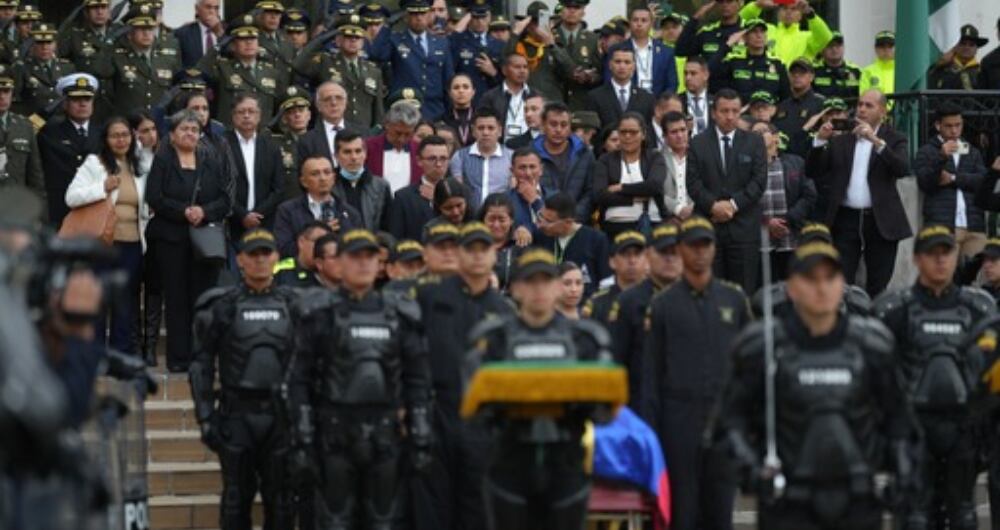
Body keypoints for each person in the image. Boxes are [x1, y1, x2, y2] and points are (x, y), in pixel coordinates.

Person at [720, 239, 920, 530]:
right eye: (810, 279)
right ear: (791, 288)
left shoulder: (872, 346)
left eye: (830, 278)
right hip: (788, 502)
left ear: (843, 285)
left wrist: (902, 473)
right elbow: (728, 423)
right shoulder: (763, 348)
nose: (821, 287)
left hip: (857, 500)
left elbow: (900, 422)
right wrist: (750, 469)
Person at [286, 227, 433, 529]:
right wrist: (302, 436)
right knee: (335, 520)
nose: (364, 264)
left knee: (382, 520)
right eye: (355, 257)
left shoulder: (399, 314)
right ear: (339, 262)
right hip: (335, 433)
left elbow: (417, 377)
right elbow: (298, 379)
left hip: (385, 433)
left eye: (370, 257)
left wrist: (419, 429)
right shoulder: (320, 313)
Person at [463, 247, 614, 530]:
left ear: (558, 287)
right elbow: (473, 411)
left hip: (566, 462)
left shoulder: (586, 339)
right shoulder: (493, 339)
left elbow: (604, 411)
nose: (538, 289)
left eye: (546, 280)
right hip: (510, 462)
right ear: (516, 288)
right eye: (530, 281)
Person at [873, 226, 996, 529]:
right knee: (914, 517)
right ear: (916, 259)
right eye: (933, 254)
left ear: (957, 256)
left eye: (947, 253)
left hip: (964, 432)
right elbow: (876, 378)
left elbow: (990, 378)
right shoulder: (893, 309)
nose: (941, 261)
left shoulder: (979, 308)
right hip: (913, 432)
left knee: (963, 515)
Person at [642, 217, 749, 530]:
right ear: (680, 249)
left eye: (706, 245)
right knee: (682, 514)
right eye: (693, 246)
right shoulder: (662, 305)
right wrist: (652, 432)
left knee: (720, 512)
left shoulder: (734, 299)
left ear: (715, 249)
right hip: (679, 419)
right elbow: (651, 375)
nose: (700, 252)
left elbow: (749, 370)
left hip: (724, 420)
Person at [189, 228, 297, 529]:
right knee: (236, 500)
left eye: (266, 254)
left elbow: (311, 363)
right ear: (240, 260)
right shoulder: (223, 306)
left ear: (276, 258)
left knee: (283, 502)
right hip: (237, 415)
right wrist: (206, 415)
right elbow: (201, 364)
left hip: (281, 416)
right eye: (253, 255)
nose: (260, 260)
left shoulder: (295, 306)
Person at [410, 221, 515, 530]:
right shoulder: (429, 297)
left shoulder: (504, 310)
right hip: (436, 414)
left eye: (485, 249)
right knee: (432, 509)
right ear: (459, 253)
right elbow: (410, 355)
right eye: (471, 249)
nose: (478, 256)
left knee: (478, 509)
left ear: (495, 254)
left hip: (484, 422)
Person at [145, 110, 231, 372]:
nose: (190, 134)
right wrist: (184, 211)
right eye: (184, 129)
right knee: (176, 300)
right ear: (171, 135)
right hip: (171, 240)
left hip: (203, 241)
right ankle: (178, 359)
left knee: (202, 299)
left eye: (195, 130)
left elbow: (225, 200)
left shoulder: (210, 160)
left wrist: (203, 212)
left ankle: (201, 357)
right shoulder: (162, 161)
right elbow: (154, 197)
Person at [806, 88, 910, 296]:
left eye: (868, 105)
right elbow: (813, 171)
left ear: (882, 111)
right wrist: (819, 142)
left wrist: (876, 142)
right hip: (845, 220)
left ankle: (875, 326)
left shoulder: (894, 138)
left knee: (878, 285)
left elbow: (902, 169)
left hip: (880, 221)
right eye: (860, 104)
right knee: (842, 282)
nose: (861, 109)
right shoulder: (841, 139)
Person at [64, 116, 150, 356]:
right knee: (99, 299)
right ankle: (95, 354)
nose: (121, 140)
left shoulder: (138, 165)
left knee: (124, 303)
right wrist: (102, 187)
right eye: (115, 135)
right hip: (103, 243)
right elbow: (71, 197)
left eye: (125, 135)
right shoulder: (95, 163)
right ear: (106, 139)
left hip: (133, 244)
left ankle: (119, 354)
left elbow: (142, 205)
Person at [686, 88, 767, 294]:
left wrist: (732, 205)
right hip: (708, 228)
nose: (730, 116)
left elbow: (758, 182)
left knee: (743, 293)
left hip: (744, 229)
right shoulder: (697, 142)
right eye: (724, 111)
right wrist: (713, 206)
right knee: (708, 292)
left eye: (734, 111)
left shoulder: (754, 142)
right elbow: (693, 183)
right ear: (714, 113)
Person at [915, 103, 988, 259]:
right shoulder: (927, 151)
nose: (954, 130)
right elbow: (925, 182)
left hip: (973, 227)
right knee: (943, 277)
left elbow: (983, 181)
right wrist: (941, 157)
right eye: (948, 126)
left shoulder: (972, 152)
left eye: (958, 125)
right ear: (938, 125)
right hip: (943, 226)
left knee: (972, 279)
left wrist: (954, 178)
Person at [367, 0, 454, 120]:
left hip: (434, 109)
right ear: (405, 17)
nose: (418, 18)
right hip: (403, 107)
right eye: (413, 14)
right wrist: (387, 25)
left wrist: (450, 109)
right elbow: (376, 54)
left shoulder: (441, 42)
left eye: (422, 13)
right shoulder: (395, 40)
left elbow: (448, 78)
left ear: (429, 15)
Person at [198, 14, 287, 128]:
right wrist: (219, 46)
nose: (249, 42)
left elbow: (280, 106)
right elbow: (199, 72)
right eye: (243, 39)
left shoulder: (271, 72)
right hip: (230, 136)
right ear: (233, 44)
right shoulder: (223, 68)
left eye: (253, 38)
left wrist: (271, 128)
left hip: (262, 137)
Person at [753, 122, 816, 280]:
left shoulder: (796, 162)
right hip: (760, 242)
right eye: (754, 134)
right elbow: (743, 202)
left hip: (791, 238)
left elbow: (809, 195)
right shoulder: (745, 168)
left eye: (762, 131)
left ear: (775, 137)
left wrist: (788, 220)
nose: (758, 136)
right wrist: (767, 222)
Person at [37, 74, 102, 228]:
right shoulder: (50, 132)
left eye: (87, 99)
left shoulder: (101, 133)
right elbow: (26, 129)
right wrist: (48, 110)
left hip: (93, 207)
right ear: (64, 104)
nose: (82, 104)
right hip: (60, 208)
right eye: (75, 99)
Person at [294, 20, 384, 131]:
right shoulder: (325, 62)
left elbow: (378, 110)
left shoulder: (373, 70)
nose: (353, 40)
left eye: (357, 37)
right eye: (348, 36)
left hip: (362, 133)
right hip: (331, 130)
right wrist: (324, 37)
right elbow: (298, 65)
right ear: (338, 40)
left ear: (362, 42)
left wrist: (375, 131)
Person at [594, 112, 666, 240]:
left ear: (643, 134)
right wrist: (634, 198)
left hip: (651, 222)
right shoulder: (605, 160)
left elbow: (655, 186)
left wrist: (621, 188)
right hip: (614, 225)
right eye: (623, 132)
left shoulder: (654, 157)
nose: (627, 136)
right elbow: (599, 194)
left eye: (633, 132)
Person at [273, 154, 363, 258]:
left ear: (333, 178)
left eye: (327, 172)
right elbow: (283, 249)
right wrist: (316, 234)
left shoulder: (350, 213)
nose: (322, 178)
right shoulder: (287, 211)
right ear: (303, 181)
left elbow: (358, 249)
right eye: (315, 174)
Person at [225, 94, 284, 245]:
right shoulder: (221, 145)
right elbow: (219, 185)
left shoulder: (272, 147)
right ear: (233, 116)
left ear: (259, 116)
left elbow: (278, 189)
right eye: (241, 112)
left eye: (251, 112)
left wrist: (258, 214)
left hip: (263, 223)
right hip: (230, 223)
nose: (246, 116)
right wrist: (242, 215)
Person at [532, 192, 610, 300]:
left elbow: (607, 282)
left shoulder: (596, 240)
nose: (541, 224)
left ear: (568, 222)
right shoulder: (540, 236)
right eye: (541, 217)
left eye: (548, 221)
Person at [109, 5, 181, 116]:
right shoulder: (118, 58)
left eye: (150, 28)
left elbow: (175, 91)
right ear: (129, 33)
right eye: (141, 28)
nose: (146, 33)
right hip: (128, 125)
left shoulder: (166, 59)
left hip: (158, 125)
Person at [56, 0, 120, 122]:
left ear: (109, 11)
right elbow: (59, 63)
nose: (99, 11)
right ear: (86, 12)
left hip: (115, 101)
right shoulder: (75, 35)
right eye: (95, 7)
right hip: (85, 99)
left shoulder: (120, 34)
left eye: (103, 7)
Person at [503, 2, 574, 105]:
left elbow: (570, 70)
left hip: (552, 103)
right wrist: (515, 34)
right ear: (528, 25)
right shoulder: (519, 46)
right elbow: (504, 62)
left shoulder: (557, 45)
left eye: (543, 22)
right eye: (535, 22)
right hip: (525, 103)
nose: (539, 27)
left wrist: (551, 45)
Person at [534, 102, 594, 223]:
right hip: (542, 223)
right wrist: (549, 218)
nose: (558, 130)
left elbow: (590, 192)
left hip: (576, 223)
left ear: (570, 127)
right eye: (553, 124)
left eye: (564, 125)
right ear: (543, 125)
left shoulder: (584, 153)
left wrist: (572, 217)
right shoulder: (531, 153)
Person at [711, 18, 790, 103]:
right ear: (745, 37)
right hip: (740, 113)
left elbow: (786, 96)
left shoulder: (777, 63)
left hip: (768, 113)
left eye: (762, 32)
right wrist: (727, 45)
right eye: (754, 32)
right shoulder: (734, 61)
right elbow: (709, 72)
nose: (759, 35)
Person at [388, 135, 450, 241]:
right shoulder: (403, 198)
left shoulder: (462, 192)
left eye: (443, 158)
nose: (439, 164)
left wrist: (439, 200)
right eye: (432, 159)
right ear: (419, 161)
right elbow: (396, 239)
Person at [449, 107, 512, 212]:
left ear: (500, 131)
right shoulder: (459, 156)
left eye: (491, 128)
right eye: (481, 128)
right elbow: (457, 191)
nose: (485, 132)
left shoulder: (511, 157)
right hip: (470, 217)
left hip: (501, 217)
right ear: (473, 131)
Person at [737, 0, 832, 66]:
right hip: (767, 83)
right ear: (778, 12)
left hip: (793, 88)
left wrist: (811, 15)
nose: (788, 12)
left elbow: (826, 37)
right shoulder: (766, 29)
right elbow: (738, 22)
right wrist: (757, 5)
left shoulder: (806, 37)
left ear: (801, 15)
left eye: (793, 9)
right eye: (784, 8)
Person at [582, 230, 648, 325]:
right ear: (612, 262)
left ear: (647, 260)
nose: (632, 260)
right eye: (625, 254)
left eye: (637, 254)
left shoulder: (657, 301)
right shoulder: (597, 304)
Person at [609, 6, 677, 97]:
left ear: (651, 23)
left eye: (644, 20)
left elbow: (672, 83)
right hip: (627, 102)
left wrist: (662, 102)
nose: (639, 24)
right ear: (630, 23)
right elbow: (609, 79)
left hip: (657, 102)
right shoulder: (617, 49)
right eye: (635, 20)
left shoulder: (666, 52)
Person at [332, 130, 392, 232]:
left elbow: (388, 226)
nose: (354, 157)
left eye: (358, 151)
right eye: (347, 152)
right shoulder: (328, 186)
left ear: (365, 154)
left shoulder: (381, 186)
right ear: (336, 156)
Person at [12, 23, 74, 120]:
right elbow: (16, 101)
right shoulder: (22, 68)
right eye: (40, 43)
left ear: (55, 45)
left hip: (62, 123)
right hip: (34, 123)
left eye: (49, 42)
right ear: (32, 46)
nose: (44, 47)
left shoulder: (67, 68)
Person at [0, 67, 44, 203]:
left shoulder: (24, 125)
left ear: (12, 95)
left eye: (6, 91)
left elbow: (34, 172)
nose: (2, 96)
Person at [588, 47, 656, 134]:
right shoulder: (595, 97)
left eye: (627, 62)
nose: (622, 66)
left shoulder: (646, 98)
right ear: (610, 65)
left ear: (634, 66)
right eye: (618, 62)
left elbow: (649, 131)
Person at [448, 2, 504, 107]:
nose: (480, 21)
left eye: (483, 17)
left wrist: (493, 72)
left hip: (492, 102)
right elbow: (450, 73)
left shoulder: (499, 45)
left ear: (489, 18)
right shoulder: (458, 41)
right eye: (476, 17)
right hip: (465, 103)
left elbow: (506, 81)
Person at [296, 81, 360, 170]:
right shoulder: (306, 141)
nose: (334, 103)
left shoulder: (363, 133)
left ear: (346, 103)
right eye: (327, 99)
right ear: (318, 105)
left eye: (339, 98)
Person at [365, 100, 424, 193]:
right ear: (387, 125)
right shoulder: (368, 147)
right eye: (398, 133)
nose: (402, 139)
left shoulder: (420, 150)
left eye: (408, 134)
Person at [552, 0, 600, 110]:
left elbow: (600, 72)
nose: (572, 11)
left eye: (577, 8)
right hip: (554, 101)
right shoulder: (550, 37)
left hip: (581, 103)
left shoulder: (592, 39)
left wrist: (590, 77)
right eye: (568, 7)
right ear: (561, 10)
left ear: (583, 12)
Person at [479, 52, 536, 144]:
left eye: (525, 67)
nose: (522, 71)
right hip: (500, 148)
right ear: (504, 70)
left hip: (529, 149)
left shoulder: (536, 96)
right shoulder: (491, 97)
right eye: (517, 67)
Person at [774, 57, 825, 158]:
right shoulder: (782, 105)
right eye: (793, 73)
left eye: (802, 73)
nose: (797, 76)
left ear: (811, 77)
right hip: (784, 159)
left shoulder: (821, 104)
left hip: (809, 159)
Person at [272, 86, 312, 199]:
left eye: (301, 110)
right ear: (284, 118)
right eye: (292, 112)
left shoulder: (319, 141)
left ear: (309, 115)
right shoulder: (275, 144)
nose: (297, 115)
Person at [675, 0, 746, 62]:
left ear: (739, 3)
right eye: (720, 2)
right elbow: (681, 51)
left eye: (729, 1)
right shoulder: (707, 32)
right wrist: (695, 18)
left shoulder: (749, 29)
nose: (725, 5)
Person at [928, 24, 988, 90]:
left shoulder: (982, 71)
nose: (966, 47)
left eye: (971, 45)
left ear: (976, 48)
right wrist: (937, 65)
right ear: (955, 46)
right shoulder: (942, 68)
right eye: (963, 43)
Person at [274, 221, 331, 288]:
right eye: (318, 242)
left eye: (326, 243)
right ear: (301, 242)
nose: (321, 247)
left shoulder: (333, 272)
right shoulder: (279, 271)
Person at [662, 111, 694, 223]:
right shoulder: (656, 158)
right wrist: (678, 209)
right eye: (674, 132)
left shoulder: (700, 155)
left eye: (683, 130)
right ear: (665, 136)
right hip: (666, 219)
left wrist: (693, 209)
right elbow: (655, 190)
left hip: (697, 217)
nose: (680, 136)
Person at [174, 0, 225, 69]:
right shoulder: (183, 33)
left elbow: (232, 54)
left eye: (216, 8)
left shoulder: (226, 31)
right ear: (197, 9)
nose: (212, 12)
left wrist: (219, 33)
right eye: (208, 7)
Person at [812, 32, 863, 100]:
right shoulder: (814, 71)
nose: (834, 49)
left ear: (844, 47)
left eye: (838, 45)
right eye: (830, 46)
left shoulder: (856, 71)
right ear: (822, 49)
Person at [508, 147, 546, 233]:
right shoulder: (504, 199)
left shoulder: (555, 197)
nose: (528, 173)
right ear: (512, 171)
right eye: (522, 168)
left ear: (541, 170)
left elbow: (555, 226)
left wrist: (535, 201)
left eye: (532, 167)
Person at [254, 1, 296, 69]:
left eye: (277, 13)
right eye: (268, 13)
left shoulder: (287, 38)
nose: (273, 17)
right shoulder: (252, 39)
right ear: (259, 16)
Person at [679, 55, 712, 137]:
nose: (688, 78)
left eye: (693, 73)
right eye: (685, 73)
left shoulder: (716, 102)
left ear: (706, 75)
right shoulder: (677, 101)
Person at [442, 74, 476, 146]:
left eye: (465, 87)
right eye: (456, 87)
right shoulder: (441, 120)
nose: (461, 91)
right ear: (449, 93)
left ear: (473, 92)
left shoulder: (481, 118)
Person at [860, 31, 895, 95]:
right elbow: (864, 96)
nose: (886, 49)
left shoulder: (902, 71)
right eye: (882, 46)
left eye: (890, 46)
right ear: (875, 48)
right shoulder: (868, 71)